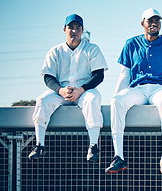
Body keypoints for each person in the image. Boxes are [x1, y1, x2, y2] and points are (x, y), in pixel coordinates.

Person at [105, 8, 162, 175]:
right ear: (142, 23)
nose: (154, 23)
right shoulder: (131, 43)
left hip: (160, 89)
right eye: (150, 20)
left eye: (157, 20)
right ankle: (118, 157)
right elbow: (124, 75)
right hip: (137, 89)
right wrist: (115, 96)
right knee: (117, 101)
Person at [29, 14, 108, 163]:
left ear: (82, 30)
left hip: (85, 91)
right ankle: (39, 145)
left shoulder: (92, 48)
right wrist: (60, 90)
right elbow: (48, 77)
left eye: (78, 28)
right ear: (64, 29)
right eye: (71, 27)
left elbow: (99, 75)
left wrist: (82, 89)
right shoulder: (55, 51)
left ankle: (93, 146)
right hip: (61, 91)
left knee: (93, 100)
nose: (74, 31)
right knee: (42, 100)